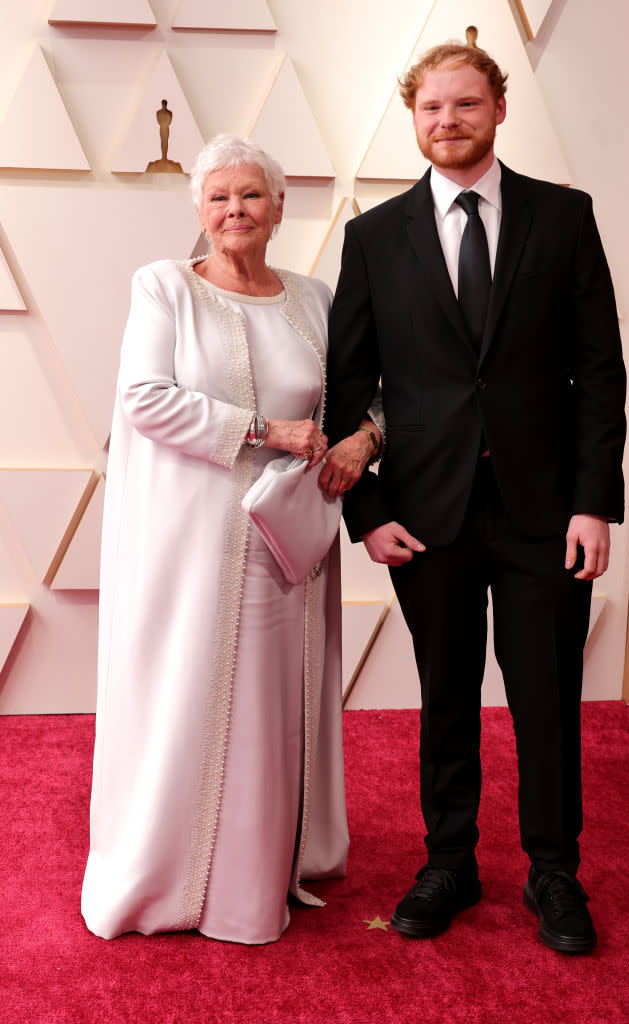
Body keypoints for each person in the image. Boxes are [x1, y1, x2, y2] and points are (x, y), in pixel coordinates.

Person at [322, 41, 626, 953]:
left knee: (546, 699)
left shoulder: (564, 217)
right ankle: (448, 862)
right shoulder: (375, 236)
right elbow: (347, 385)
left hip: (546, 514)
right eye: (430, 109)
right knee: (445, 695)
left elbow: (600, 372)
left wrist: (594, 502)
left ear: (499, 108)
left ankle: (554, 874)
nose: (447, 122)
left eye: (465, 105)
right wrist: (367, 514)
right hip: (426, 517)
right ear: (413, 120)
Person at [81, 134, 379, 944]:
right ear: (200, 211)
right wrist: (259, 428)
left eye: (251, 195)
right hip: (193, 544)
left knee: (271, 705)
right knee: (192, 693)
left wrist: (364, 439)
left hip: (287, 545)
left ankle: (265, 863)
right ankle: (180, 876)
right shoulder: (165, 287)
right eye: (218, 198)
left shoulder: (315, 297)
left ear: (279, 208)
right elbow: (143, 396)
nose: (235, 211)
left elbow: (367, 395)